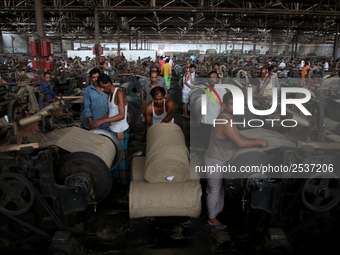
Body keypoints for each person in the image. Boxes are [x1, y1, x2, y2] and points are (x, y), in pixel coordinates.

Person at [205, 92, 268, 230]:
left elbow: (239, 135)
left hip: (221, 159)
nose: (235, 107)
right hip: (215, 160)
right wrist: (260, 141)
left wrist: (253, 140)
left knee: (220, 188)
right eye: (232, 104)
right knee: (214, 189)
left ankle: (217, 211)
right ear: (225, 104)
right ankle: (212, 219)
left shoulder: (229, 118)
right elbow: (240, 142)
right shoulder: (224, 120)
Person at [93, 74, 130, 185]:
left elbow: (121, 115)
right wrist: (98, 121)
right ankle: (116, 181)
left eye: (103, 87)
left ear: (108, 83)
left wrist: (103, 121)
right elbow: (110, 113)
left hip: (121, 131)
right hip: (113, 130)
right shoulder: (110, 95)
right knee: (114, 157)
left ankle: (124, 185)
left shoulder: (119, 93)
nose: (102, 90)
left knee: (121, 159)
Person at [197, 71, 226, 149]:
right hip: (204, 120)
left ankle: (211, 155)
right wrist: (200, 117)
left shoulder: (221, 90)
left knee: (213, 140)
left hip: (213, 120)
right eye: (210, 77)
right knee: (203, 137)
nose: (212, 79)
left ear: (217, 79)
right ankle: (208, 151)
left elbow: (223, 106)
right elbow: (204, 104)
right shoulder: (207, 89)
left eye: (214, 77)